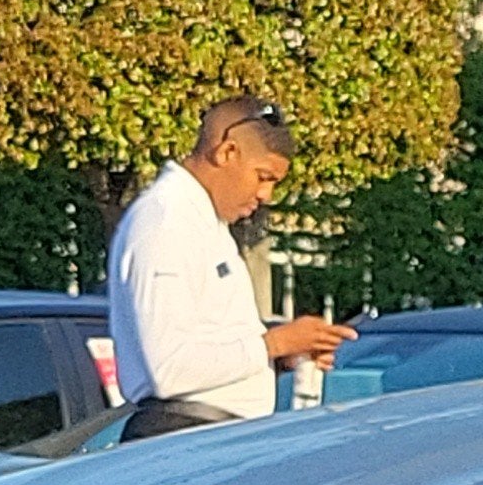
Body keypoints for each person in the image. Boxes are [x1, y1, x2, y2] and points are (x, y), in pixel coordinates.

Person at [106, 97, 349, 435]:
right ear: (227, 152)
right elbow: (170, 369)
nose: (266, 194)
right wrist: (274, 344)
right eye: (263, 177)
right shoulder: (168, 221)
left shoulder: (203, 223)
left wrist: (279, 357)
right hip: (182, 434)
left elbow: (206, 345)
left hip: (203, 432)